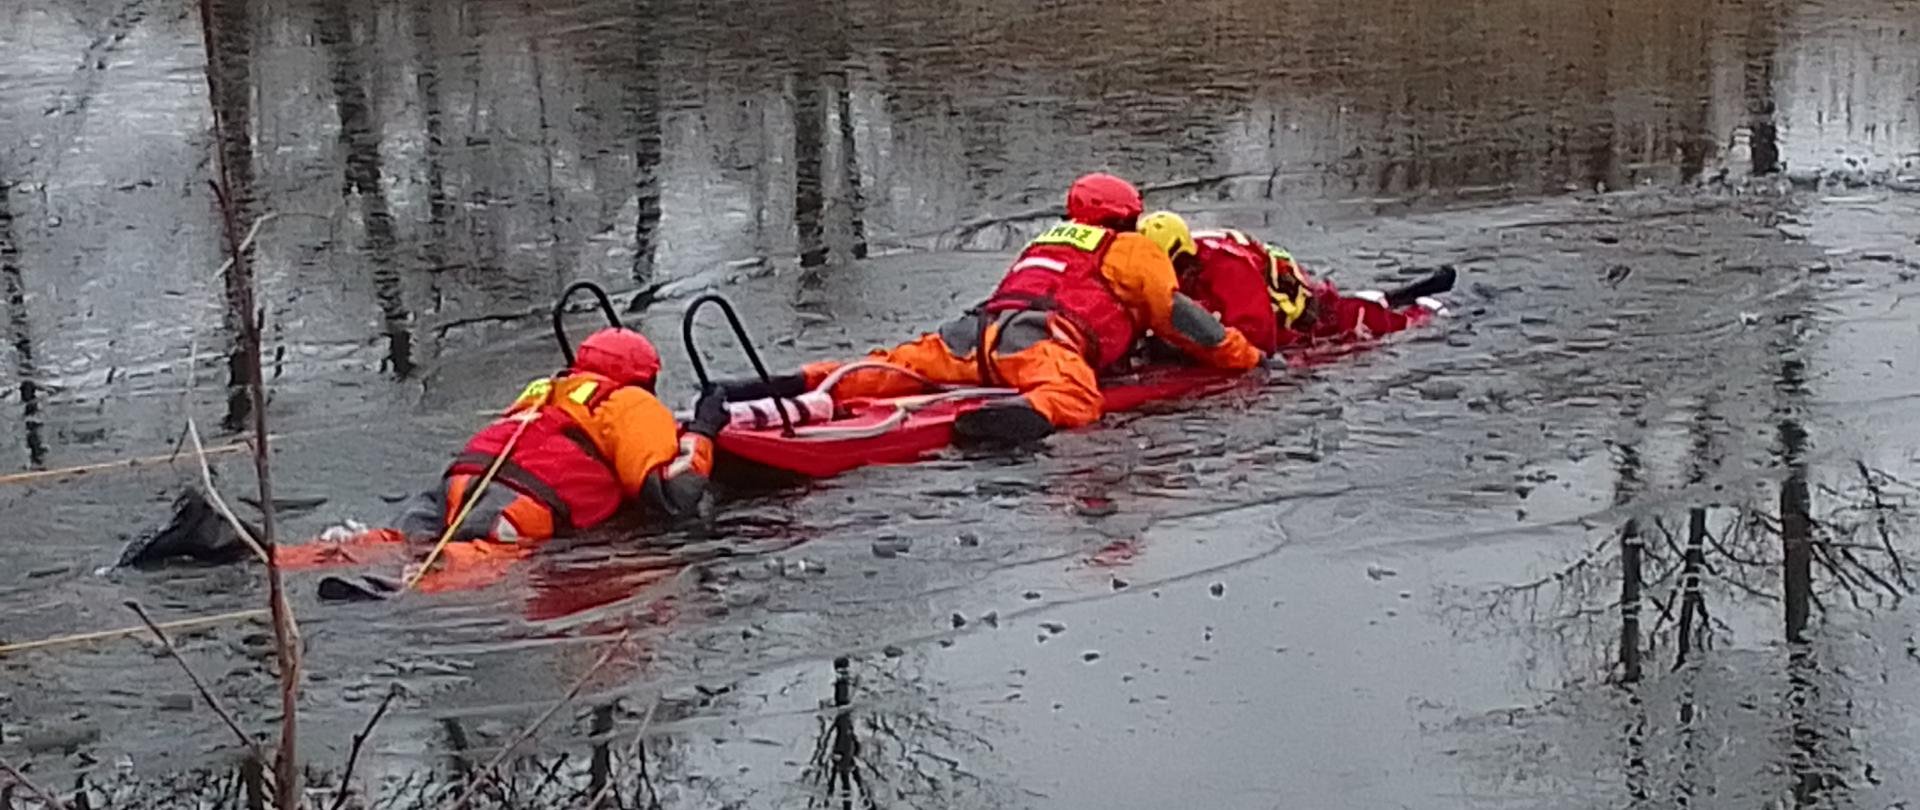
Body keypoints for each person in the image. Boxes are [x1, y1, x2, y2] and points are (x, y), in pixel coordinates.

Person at [123, 327, 731, 593]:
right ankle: (399, 590)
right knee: (486, 558)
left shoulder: (546, 391)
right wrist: (703, 429)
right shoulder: (628, 402)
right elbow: (673, 496)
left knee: (396, 536)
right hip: (518, 507)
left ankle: (243, 547)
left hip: (455, 482)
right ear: (644, 378)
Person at [719, 173, 1264, 442]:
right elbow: (1181, 318)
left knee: (895, 367)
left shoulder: (1045, 239)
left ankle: (787, 382)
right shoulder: (1133, 249)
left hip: (973, 334)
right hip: (1041, 347)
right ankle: (1000, 424)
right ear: (1126, 216)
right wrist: (1246, 358)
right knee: (1075, 397)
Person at [1137, 211, 1453, 355]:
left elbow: (1257, 336)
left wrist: (1178, 347)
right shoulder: (1191, 257)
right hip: (1276, 292)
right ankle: (1383, 298)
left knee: (1353, 324)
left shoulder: (1226, 268)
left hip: (1295, 319)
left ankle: (1424, 313)